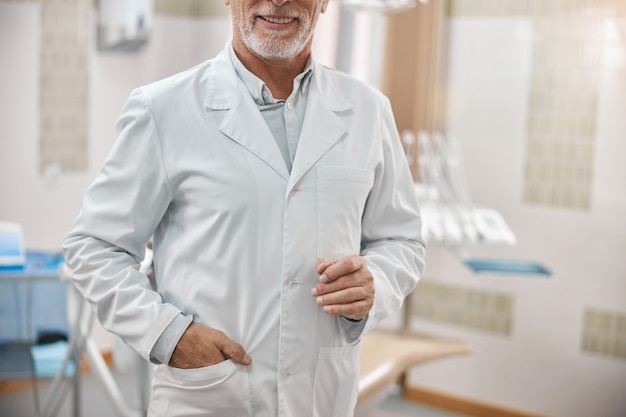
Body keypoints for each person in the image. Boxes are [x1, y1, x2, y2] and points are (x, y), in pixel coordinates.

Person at [63, 0, 426, 416]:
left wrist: (374, 284)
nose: (278, 0)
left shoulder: (368, 111)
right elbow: (93, 246)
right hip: (207, 395)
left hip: (320, 397)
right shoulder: (162, 109)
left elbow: (402, 239)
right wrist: (167, 335)